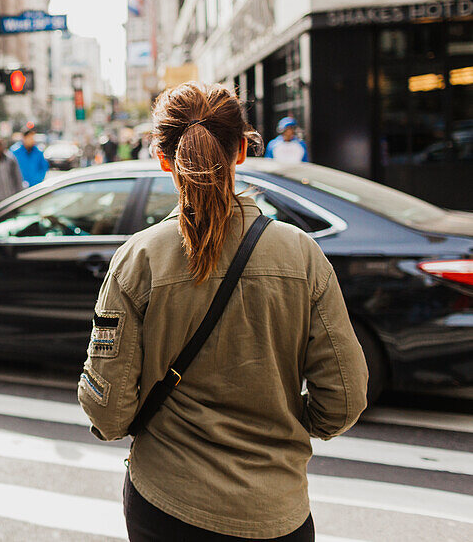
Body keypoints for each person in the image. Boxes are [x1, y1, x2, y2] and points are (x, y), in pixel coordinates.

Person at [78, 82, 367, 542]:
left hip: (166, 505)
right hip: (278, 510)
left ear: (162, 159)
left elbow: (109, 412)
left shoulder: (140, 259)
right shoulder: (301, 255)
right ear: (241, 152)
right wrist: (286, 426)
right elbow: (346, 398)